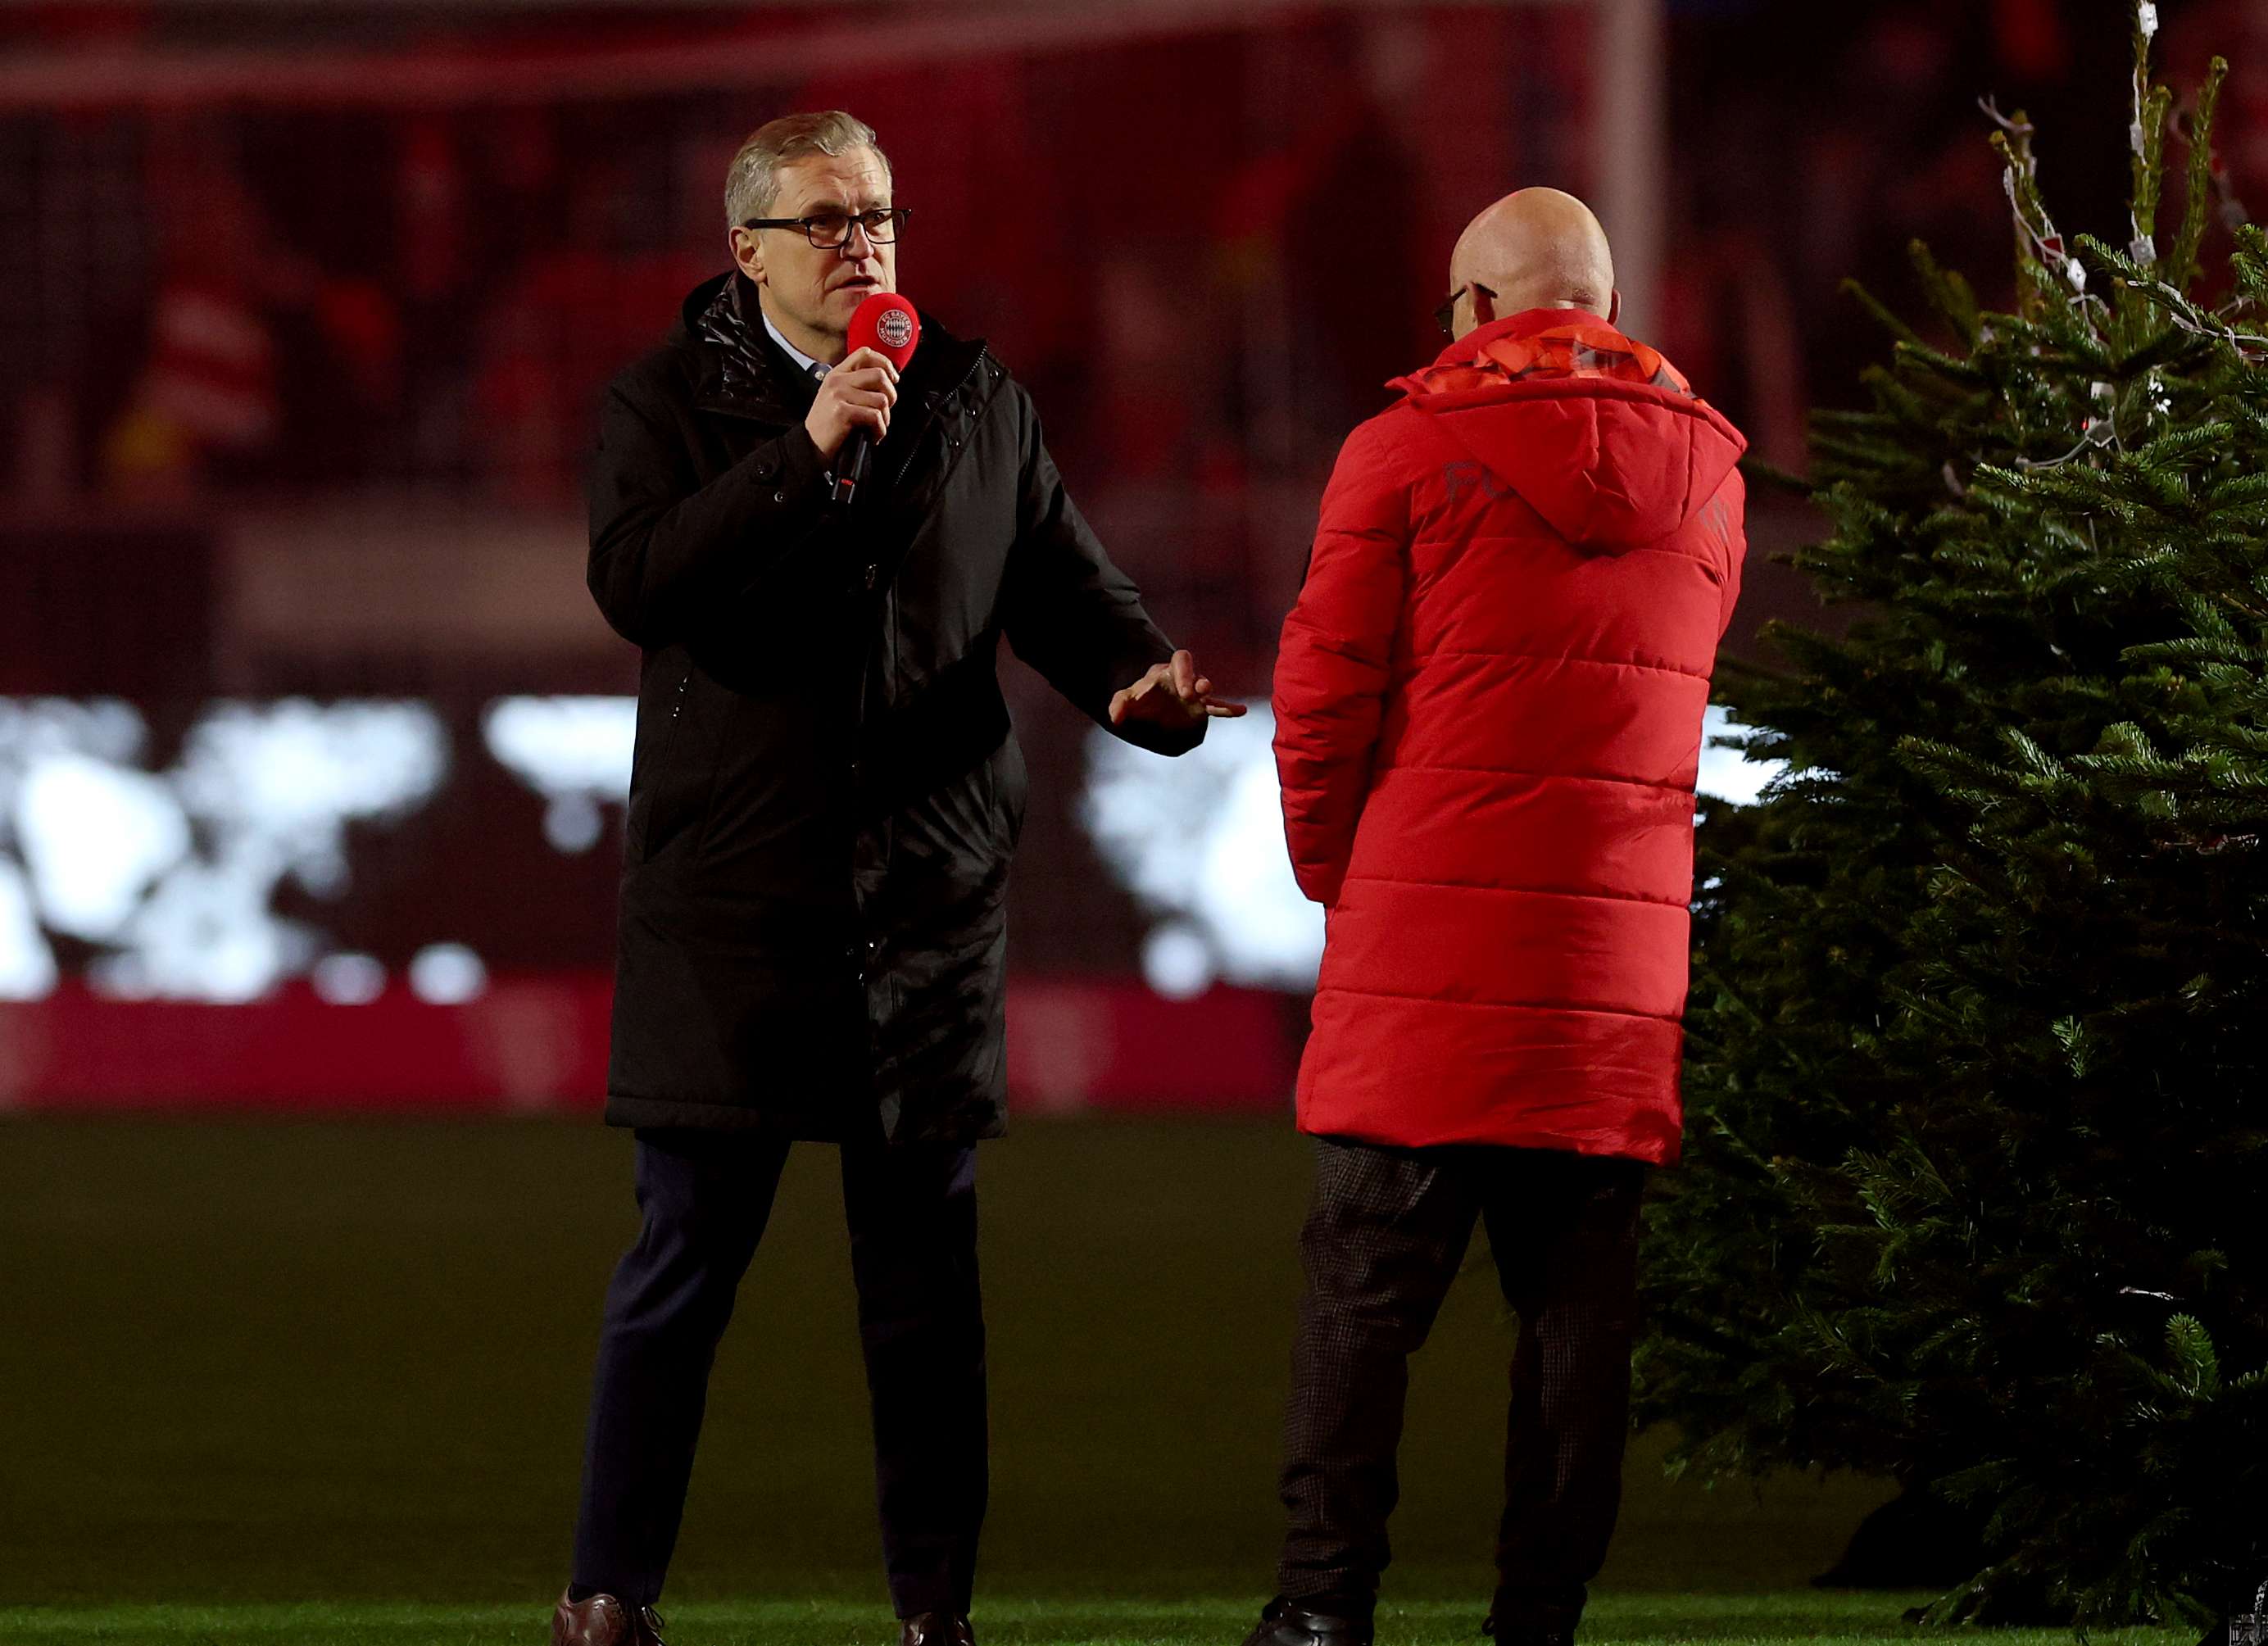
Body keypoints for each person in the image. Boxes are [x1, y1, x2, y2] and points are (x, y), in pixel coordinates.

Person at [556, 111, 1239, 1646]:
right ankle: (607, 1596)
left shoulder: (975, 399)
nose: (863, 240)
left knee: (927, 1294)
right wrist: (804, 455)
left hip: (919, 910)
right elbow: (640, 582)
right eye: (825, 219)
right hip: (732, 909)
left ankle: (936, 1615)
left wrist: (1147, 690)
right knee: (680, 1269)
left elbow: (1071, 592)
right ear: (745, 252)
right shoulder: (661, 405)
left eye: (877, 212)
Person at [1250, 188, 1749, 1646]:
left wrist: (1347, 875)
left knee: (1362, 1298)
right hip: (1614, 971)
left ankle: (1324, 1610)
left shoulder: (1402, 450)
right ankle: (1539, 1621)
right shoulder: (1714, 472)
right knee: (1578, 1318)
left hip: (1426, 954)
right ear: (1598, 304)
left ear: (1476, 311)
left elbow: (1321, 701)